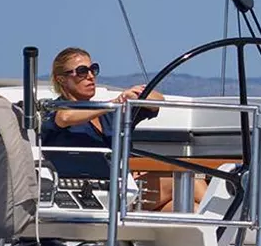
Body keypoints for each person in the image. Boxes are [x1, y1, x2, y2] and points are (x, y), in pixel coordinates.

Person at [40, 48, 178, 207]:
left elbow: (158, 101)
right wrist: (114, 103)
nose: (90, 76)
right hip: (82, 195)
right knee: (184, 184)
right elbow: (65, 117)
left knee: (186, 205)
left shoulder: (110, 114)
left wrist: (134, 94)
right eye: (82, 71)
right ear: (62, 79)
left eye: (93, 69)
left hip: (121, 191)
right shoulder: (53, 110)